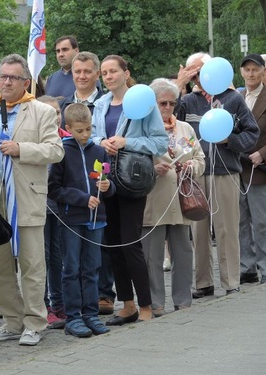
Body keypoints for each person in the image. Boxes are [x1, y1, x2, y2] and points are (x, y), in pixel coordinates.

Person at [0, 54, 64, 346]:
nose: (5, 81)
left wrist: (21, 148)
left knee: (31, 263)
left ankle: (34, 322)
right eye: (2, 76)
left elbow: (56, 151)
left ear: (25, 82)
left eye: (12, 77)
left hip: (26, 195)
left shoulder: (40, 110)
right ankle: (12, 321)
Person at [91, 54, 168, 324]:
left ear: (126, 73)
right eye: (104, 73)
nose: (108, 76)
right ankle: (127, 304)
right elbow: (91, 135)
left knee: (130, 243)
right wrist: (102, 141)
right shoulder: (100, 104)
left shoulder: (143, 103)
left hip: (133, 180)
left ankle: (146, 305)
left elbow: (160, 143)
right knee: (112, 244)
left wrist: (127, 142)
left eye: (113, 71)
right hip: (106, 179)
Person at [176, 52, 259, 298]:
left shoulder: (233, 98)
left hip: (226, 172)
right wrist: (179, 85)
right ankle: (203, 283)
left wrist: (230, 140)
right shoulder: (187, 101)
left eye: (199, 71)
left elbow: (251, 134)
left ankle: (231, 280)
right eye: (191, 73)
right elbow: (167, 122)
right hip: (195, 173)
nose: (196, 77)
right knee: (198, 231)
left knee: (227, 229)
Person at [48, 103, 114, 337]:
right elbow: (53, 189)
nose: (85, 135)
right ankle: (73, 317)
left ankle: (91, 314)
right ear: (68, 128)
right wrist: (81, 199)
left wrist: (108, 187)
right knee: (71, 268)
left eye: (88, 129)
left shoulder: (99, 151)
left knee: (92, 267)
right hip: (72, 220)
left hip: (97, 219)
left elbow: (109, 181)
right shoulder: (61, 151)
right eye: (79, 131)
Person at [142, 78, 205, 316]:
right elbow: (133, 163)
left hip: (182, 200)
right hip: (154, 199)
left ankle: (183, 301)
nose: (168, 108)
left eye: (172, 103)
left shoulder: (185, 129)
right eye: (162, 103)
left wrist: (191, 167)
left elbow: (200, 159)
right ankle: (156, 302)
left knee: (183, 253)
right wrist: (151, 168)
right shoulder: (142, 128)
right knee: (152, 256)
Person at [37, 95, 70, 329]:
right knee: (43, 257)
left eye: (58, 112)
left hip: (60, 208)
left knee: (58, 257)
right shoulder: (36, 139)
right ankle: (44, 305)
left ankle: (58, 303)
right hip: (39, 206)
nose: (55, 116)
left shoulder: (67, 141)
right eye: (50, 112)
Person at [238, 54, 266, 285]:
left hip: (259, 169)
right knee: (240, 220)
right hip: (236, 167)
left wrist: (263, 153)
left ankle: (265, 266)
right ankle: (246, 267)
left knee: (261, 221)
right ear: (241, 72)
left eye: (255, 70)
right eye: (247, 70)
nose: (251, 74)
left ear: (263, 71)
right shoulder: (235, 97)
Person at [59, 51, 104, 128]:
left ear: (97, 74)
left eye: (87, 72)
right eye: (78, 72)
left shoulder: (106, 105)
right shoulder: (60, 106)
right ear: (72, 74)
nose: (82, 76)